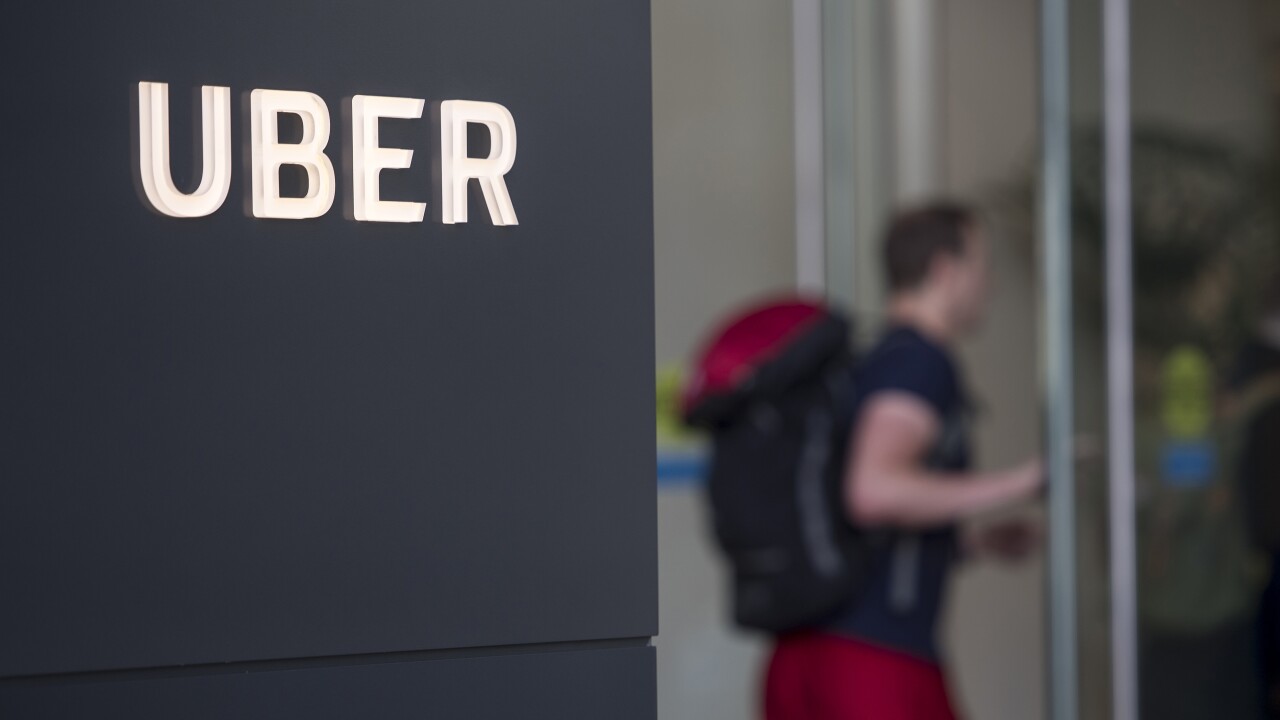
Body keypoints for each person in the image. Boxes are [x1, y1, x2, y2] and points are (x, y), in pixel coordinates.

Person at [764, 203, 1045, 720]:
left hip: (808, 657)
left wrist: (973, 543)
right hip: (872, 660)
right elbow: (871, 491)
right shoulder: (920, 362)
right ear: (944, 269)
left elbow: (865, 526)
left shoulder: (872, 359)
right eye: (981, 264)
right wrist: (1019, 482)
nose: (991, 282)